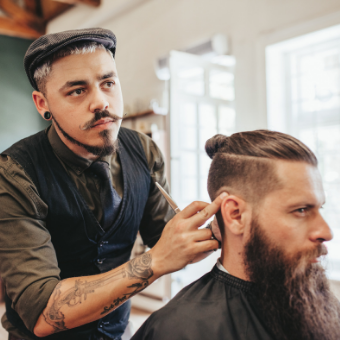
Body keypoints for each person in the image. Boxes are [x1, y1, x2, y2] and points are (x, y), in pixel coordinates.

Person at [0, 28, 222, 340]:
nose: (101, 102)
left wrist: (221, 228)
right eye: (77, 91)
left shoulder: (144, 151)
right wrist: (155, 261)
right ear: (42, 103)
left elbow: (166, 238)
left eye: (108, 83)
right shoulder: (15, 172)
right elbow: (42, 312)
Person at [132, 130, 340, 340]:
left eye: (319, 209)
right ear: (236, 215)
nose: (326, 232)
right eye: (301, 210)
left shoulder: (321, 304)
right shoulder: (175, 330)